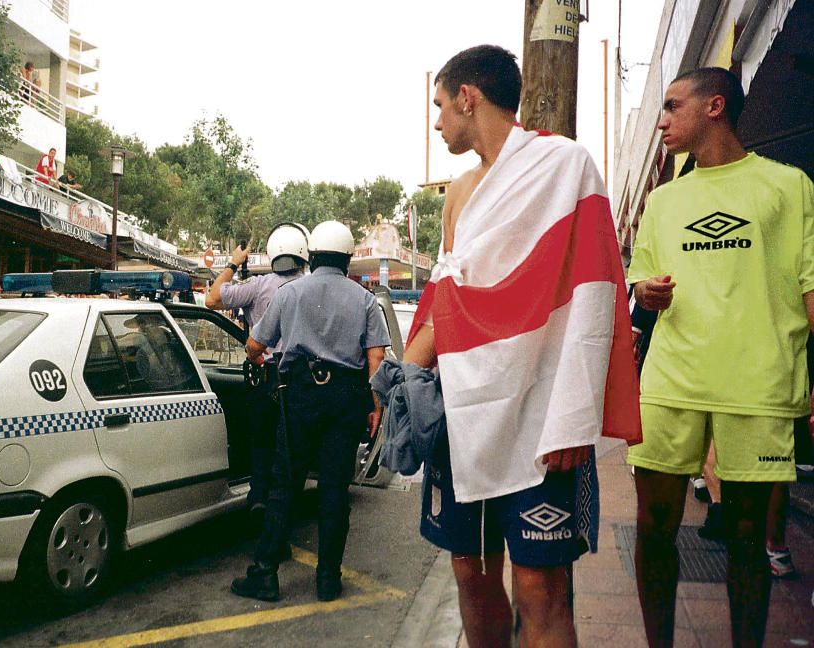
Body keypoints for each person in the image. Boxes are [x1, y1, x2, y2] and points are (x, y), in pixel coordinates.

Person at [401, 45, 640, 648]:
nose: (436, 124)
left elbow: (591, 296)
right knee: (470, 573)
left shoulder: (566, 164)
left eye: (439, 107)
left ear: (467, 97)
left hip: (539, 417)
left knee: (540, 586)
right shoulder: (457, 192)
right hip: (465, 411)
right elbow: (447, 294)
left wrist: (572, 419)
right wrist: (401, 378)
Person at [627, 67, 814, 647]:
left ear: (714, 106)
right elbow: (642, 284)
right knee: (654, 528)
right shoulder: (662, 200)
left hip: (757, 385)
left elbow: (809, 289)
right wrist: (646, 293)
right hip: (671, 380)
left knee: (743, 537)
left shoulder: (788, 187)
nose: (661, 119)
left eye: (671, 105)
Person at [230, 220, 389, 603]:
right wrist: (375, 405)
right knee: (335, 491)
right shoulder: (364, 299)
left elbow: (256, 343)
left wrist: (258, 355)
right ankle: (328, 580)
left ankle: (265, 574)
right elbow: (377, 358)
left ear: (312, 256)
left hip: (298, 396)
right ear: (348, 259)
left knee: (284, 486)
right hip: (346, 399)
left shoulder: (290, 293)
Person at [205, 223, 310, 525]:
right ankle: (283, 511)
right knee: (290, 449)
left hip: (263, 375)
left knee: (261, 442)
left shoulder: (260, 285)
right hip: (300, 380)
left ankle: (259, 499)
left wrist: (234, 263)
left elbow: (212, 299)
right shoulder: (311, 286)